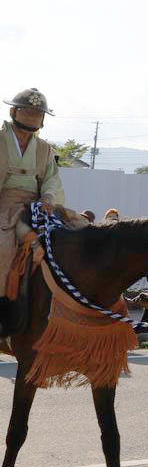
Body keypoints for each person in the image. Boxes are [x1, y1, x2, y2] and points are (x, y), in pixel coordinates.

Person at [0, 88, 65, 335]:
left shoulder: (44, 149)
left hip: (38, 204)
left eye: (37, 113)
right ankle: (5, 309)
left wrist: (48, 197)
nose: (32, 117)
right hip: (4, 204)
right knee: (4, 247)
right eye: (27, 111)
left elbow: (51, 179)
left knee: (72, 235)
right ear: (14, 111)